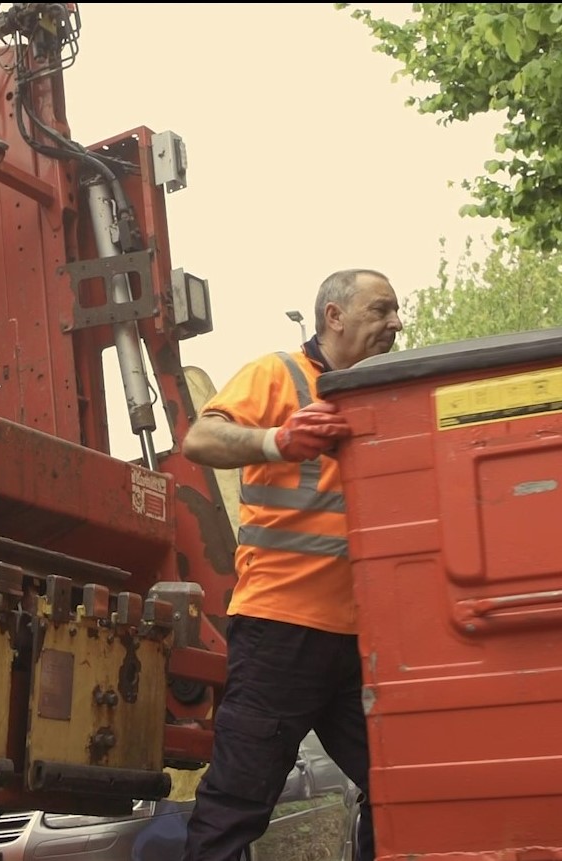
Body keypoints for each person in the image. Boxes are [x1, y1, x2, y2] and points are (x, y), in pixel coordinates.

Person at [179, 269, 403, 861]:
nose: (396, 323)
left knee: (406, 787)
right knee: (235, 807)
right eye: (381, 310)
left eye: (396, 312)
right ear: (335, 315)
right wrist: (277, 440)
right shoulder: (278, 374)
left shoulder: (386, 393)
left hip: (359, 642)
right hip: (281, 632)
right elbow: (200, 439)